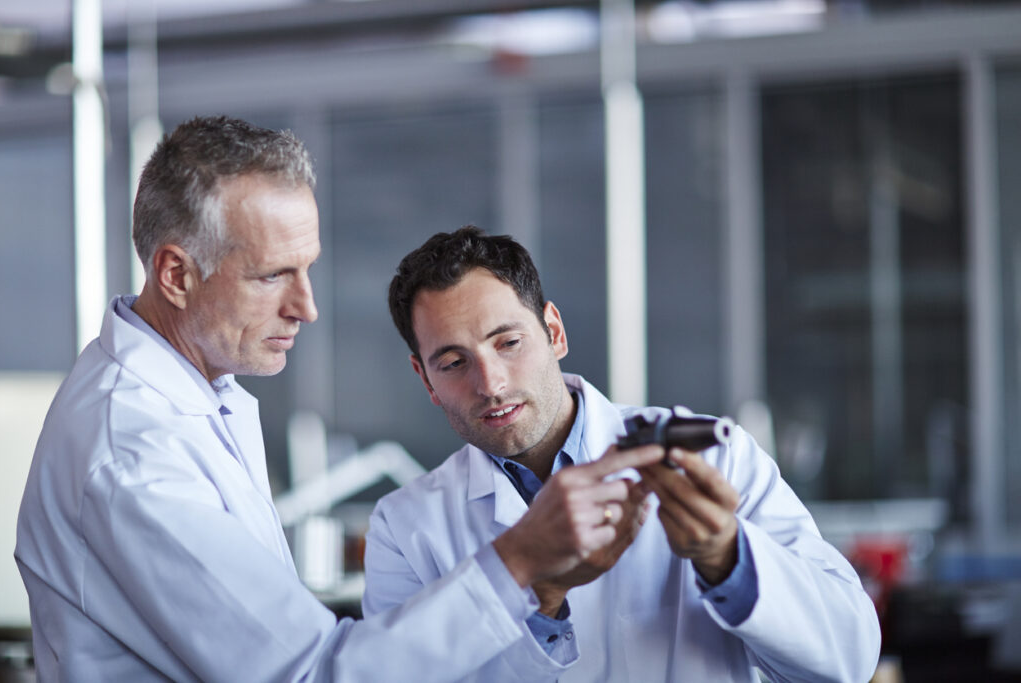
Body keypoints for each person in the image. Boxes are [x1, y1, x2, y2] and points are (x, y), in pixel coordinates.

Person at [14, 117, 663, 683]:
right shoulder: (132, 450)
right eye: (272, 276)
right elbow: (308, 672)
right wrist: (520, 559)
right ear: (177, 274)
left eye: (307, 268)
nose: (307, 306)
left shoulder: (199, 392)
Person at [364, 226, 882, 682]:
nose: (491, 384)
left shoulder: (715, 458)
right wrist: (542, 596)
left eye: (509, 343)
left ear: (554, 331)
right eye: (453, 362)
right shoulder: (407, 528)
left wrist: (730, 560)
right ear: (425, 379)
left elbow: (849, 658)